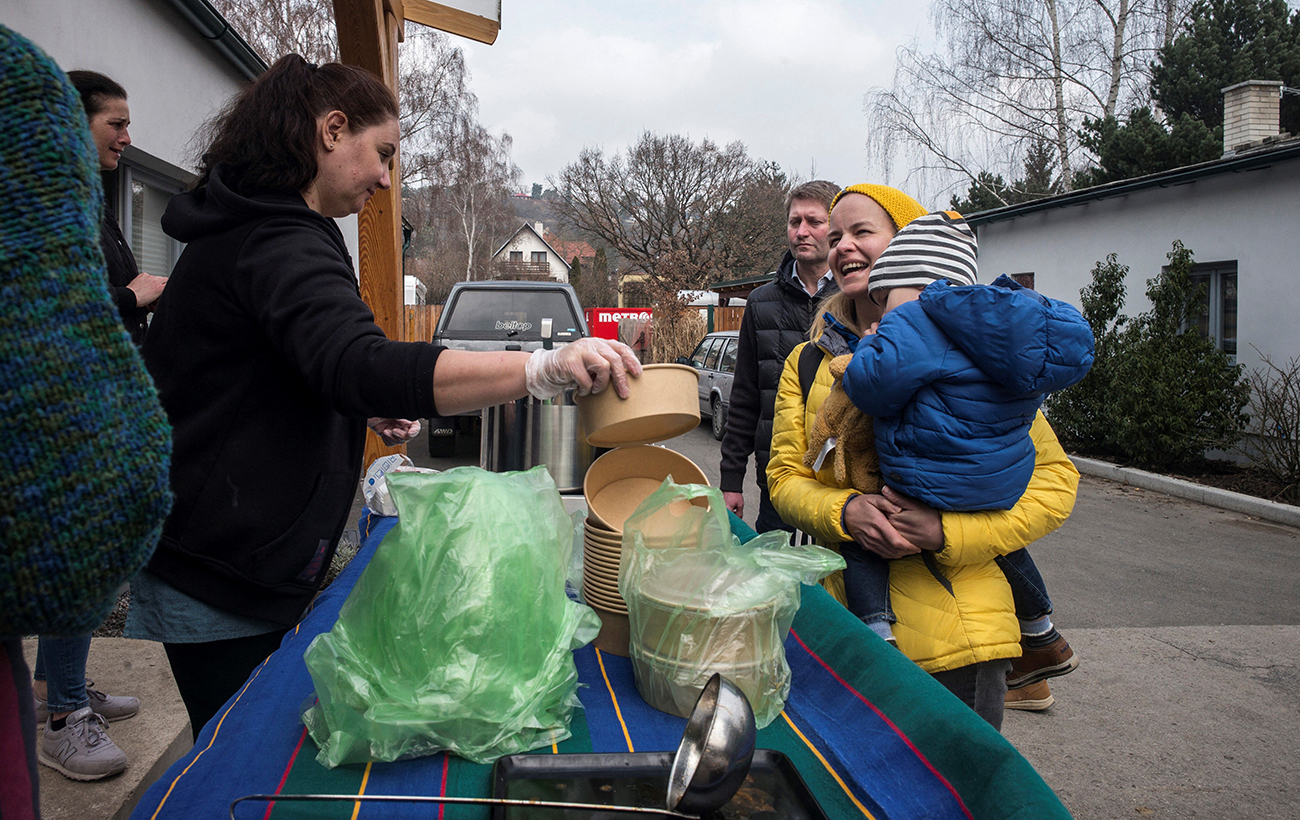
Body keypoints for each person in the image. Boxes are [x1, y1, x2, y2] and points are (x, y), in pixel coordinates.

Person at [126, 54, 641, 739]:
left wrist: (351, 404)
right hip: (224, 570)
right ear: (333, 130)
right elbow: (359, 361)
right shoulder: (278, 237)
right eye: (384, 153)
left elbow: (271, 368)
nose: (385, 177)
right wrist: (542, 367)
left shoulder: (254, 228)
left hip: (221, 553)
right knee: (239, 757)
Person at [767, 184, 1081, 730]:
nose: (842, 246)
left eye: (862, 231)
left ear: (909, 248)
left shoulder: (977, 352)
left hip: (968, 639)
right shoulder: (810, 362)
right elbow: (784, 479)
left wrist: (948, 532)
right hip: (851, 633)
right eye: (835, 235)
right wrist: (844, 514)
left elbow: (1054, 482)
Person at [1, 23, 172, 797]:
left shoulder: (96, 211)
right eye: (116, 124)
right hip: (63, 444)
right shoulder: (42, 221)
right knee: (76, 528)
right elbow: (63, 319)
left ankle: (62, 687)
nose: (127, 139)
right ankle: (65, 711)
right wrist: (130, 298)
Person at [720, 180, 840, 534]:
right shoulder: (761, 302)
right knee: (777, 579)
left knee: (832, 585)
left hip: (840, 480)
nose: (802, 231)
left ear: (836, 228)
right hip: (776, 477)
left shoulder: (857, 296)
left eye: (814, 222)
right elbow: (744, 396)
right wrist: (731, 479)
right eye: (794, 222)